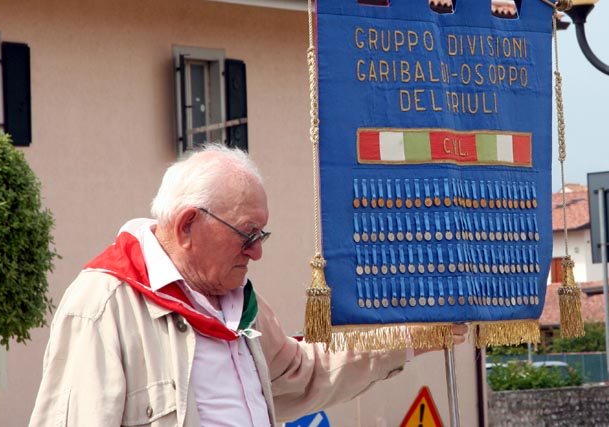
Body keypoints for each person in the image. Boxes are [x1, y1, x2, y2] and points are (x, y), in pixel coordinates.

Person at [30, 144, 463, 426]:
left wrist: (415, 333)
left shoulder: (236, 305)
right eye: (247, 234)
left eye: (262, 235)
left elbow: (303, 374)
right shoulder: (103, 306)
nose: (256, 252)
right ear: (187, 225)